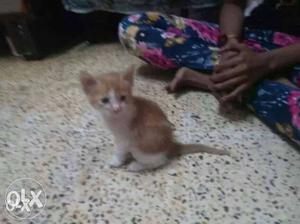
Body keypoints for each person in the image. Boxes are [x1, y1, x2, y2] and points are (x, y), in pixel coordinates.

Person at [118, 0, 300, 146]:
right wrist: (230, 45)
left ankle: (215, 80)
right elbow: (233, 3)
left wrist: (268, 63)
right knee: (134, 27)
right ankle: (246, 78)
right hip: (253, 38)